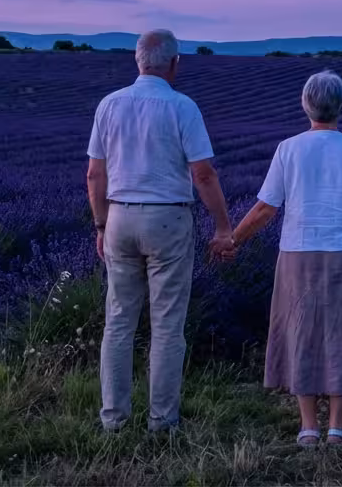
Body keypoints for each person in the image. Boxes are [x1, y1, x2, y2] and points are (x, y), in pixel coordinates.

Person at [212, 70, 342, 446]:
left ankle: (307, 427)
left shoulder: (288, 148)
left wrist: (233, 239)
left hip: (298, 252)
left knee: (301, 331)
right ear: (341, 105)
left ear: (305, 105)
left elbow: (264, 209)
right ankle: (337, 426)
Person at [86, 29, 233, 433]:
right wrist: (223, 226)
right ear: (173, 63)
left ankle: (113, 419)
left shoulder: (109, 105)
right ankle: (162, 421)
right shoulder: (182, 107)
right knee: (167, 324)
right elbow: (203, 173)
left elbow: (94, 174)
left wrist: (101, 224)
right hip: (167, 219)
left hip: (119, 216)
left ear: (138, 61)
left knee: (118, 321)